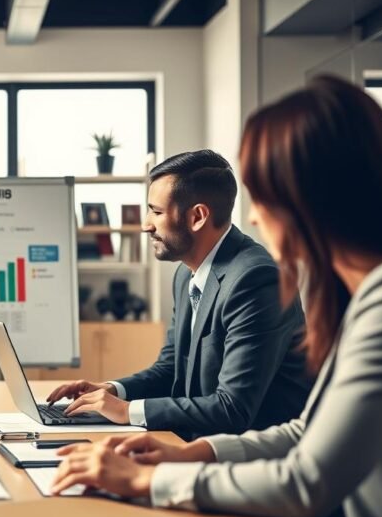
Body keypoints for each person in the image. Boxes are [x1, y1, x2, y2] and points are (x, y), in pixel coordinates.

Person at [51, 75, 382, 517]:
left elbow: (307, 481)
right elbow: (309, 430)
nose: (255, 217)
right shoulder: (365, 293)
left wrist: (147, 482)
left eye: (265, 198)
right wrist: (195, 455)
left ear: (317, 201)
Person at [47, 150, 312, 438]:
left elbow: (233, 408)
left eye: (156, 212)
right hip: (201, 442)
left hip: (255, 459)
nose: (146, 224)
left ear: (197, 216)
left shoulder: (257, 280)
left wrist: (125, 412)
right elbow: (171, 367)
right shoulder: (187, 272)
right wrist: (112, 390)